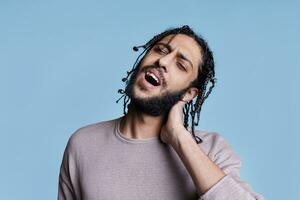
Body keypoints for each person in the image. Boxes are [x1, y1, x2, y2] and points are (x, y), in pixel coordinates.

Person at [58, 25, 264, 200]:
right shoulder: (83, 143)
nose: (163, 62)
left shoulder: (211, 149)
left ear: (189, 93)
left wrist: (179, 139)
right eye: (161, 50)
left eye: (181, 65)